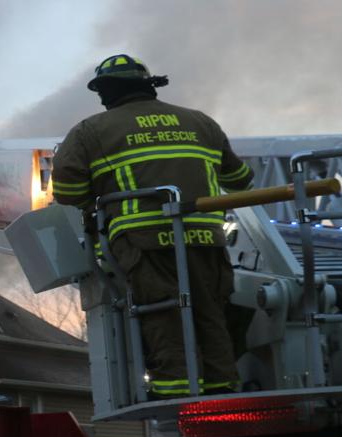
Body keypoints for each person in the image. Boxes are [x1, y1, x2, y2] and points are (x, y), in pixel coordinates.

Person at [50, 54, 255, 399]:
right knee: (210, 311)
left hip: (142, 239)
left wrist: (97, 203)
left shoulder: (90, 131)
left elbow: (68, 193)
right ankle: (221, 386)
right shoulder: (201, 123)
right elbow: (240, 180)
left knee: (164, 313)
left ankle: (174, 391)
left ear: (108, 91)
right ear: (147, 85)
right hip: (206, 237)